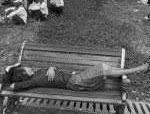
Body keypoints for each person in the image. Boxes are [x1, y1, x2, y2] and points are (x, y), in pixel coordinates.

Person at [2, 62, 150, 91]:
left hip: (77, 76)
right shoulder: (32, 81)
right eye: (23, 68)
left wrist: (51, 67)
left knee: (103, 68)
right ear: (23, 73)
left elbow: (54, 69)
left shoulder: (36, 72)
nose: (25, 66)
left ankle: (135, 70)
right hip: (76, 82)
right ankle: (137, 70)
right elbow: (12, 86)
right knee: (102, 69)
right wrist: (6, 79)